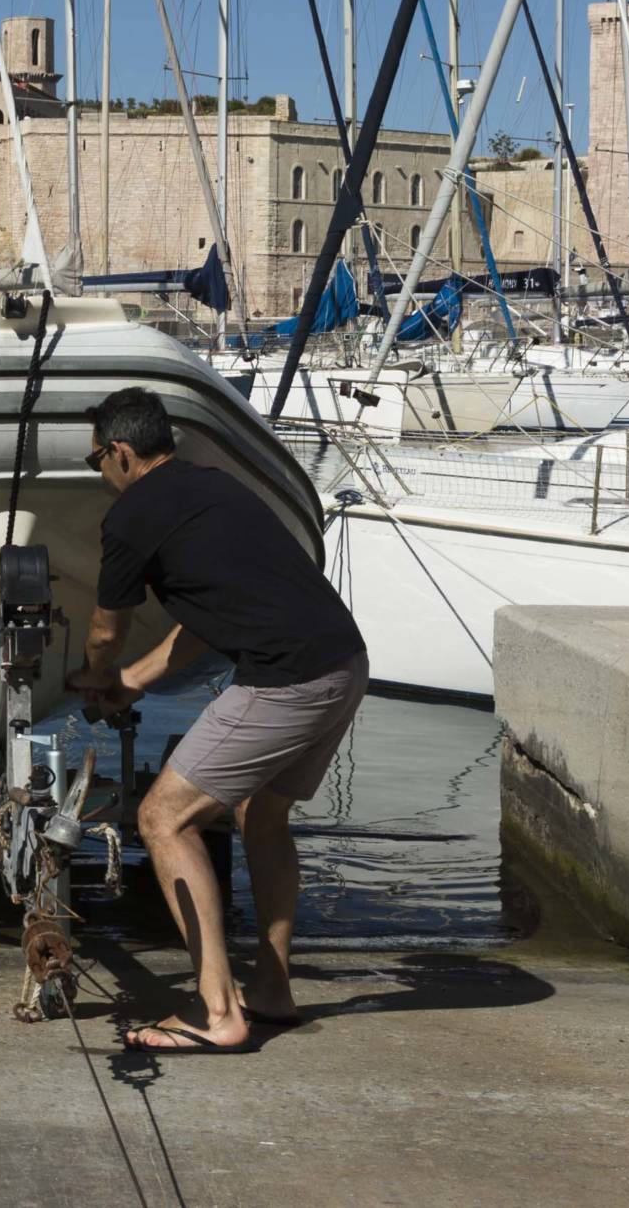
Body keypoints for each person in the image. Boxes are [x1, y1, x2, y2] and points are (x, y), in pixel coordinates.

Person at [67, 385, 368, 1054]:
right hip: (344, 663)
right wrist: (133, 683)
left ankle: (216, 1013)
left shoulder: (132, 516)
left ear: (119, 452)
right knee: (261, 814)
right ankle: (271, 989)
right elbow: (204, 619)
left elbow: (103, 630)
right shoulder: (215, 488)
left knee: (162, 817)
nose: (100, 477)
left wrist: (95, 674)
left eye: (96, 464)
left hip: (286, 680)